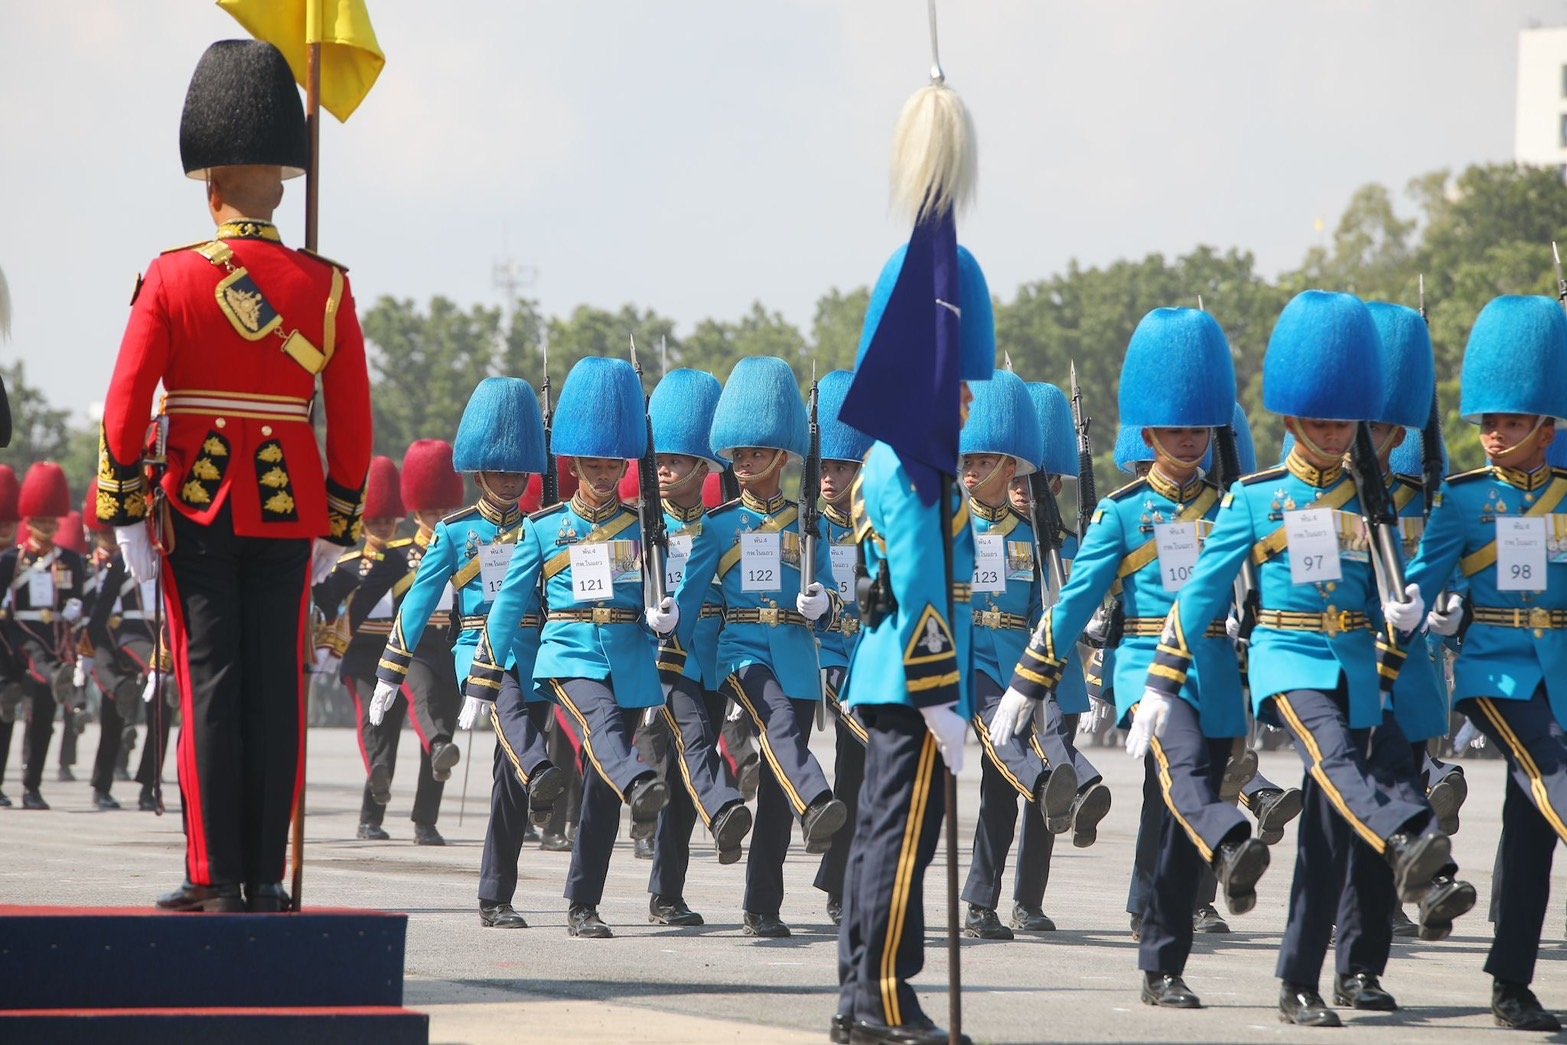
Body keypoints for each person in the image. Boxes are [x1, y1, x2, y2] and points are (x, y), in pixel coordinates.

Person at [1137, 290, 1471, 1025]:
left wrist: (1420, 610)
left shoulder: (1370, 496)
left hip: (1361, 668)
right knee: (1339, 769)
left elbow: (1392, 585)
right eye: (1316, 418)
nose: (1330, 431)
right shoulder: (1253, 498)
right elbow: (1198, 598)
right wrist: (1161, 680)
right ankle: (1408, 834)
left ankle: (1301, 978)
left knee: (1325, 838)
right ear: (1290, 418)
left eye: (1341, 418)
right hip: (1288, 658)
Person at [97, 40, 372, 912]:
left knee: (210, 684)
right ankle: (265, 876)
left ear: (209, 184)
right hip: (291, 509)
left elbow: (123, 407)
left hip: (197, 503)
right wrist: (336, 518)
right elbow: (353, 423)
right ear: (281, 188)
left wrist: (130, 510)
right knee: (275, 692)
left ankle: (214, 872)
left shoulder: (174, 275)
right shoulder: (325, 287)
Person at [993, 309, 1267, 1008]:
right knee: (1189, 796)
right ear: (1146, 434)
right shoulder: (1119, 513)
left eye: (1198, 427)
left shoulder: (1236, 503)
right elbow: (1075, 601)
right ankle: (1227, 851)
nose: (1187, 439)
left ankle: (1159, 953)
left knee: (1171, 822)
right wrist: (1029, 680)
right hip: (1150, 674)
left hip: (1216, 675)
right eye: (1173, 429)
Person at [468, 358, 669, 938]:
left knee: (600, 787)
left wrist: (665, 616)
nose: (604, 473)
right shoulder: (543, 528)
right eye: (594, 463)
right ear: (574, 463)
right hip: (562, 655)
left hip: (627, 660)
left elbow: (661, 597)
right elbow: (506, 609)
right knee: (526, 770)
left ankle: (584, 903)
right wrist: (484, 678)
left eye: (614, 462)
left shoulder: (641, 526)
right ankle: (494, 893)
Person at [1409, 295, 1567, 1032]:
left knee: (1531, 825)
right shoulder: (1462, 501)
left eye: (1509, 421)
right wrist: (1428, 611)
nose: (1493, 434)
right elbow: (1417, 582)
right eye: (1486, 421)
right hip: (1493, 673)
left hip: (1559, 675)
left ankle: (1509, 983)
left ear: (1546, 425)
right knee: (1554, 775)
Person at [382, 383, 562, 928]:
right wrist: (391, 670)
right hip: (480, 650)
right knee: (514, 729)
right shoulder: (456, 532)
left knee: (507, 778)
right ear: (480, 474)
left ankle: (495, 896)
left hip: (534, 650)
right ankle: (543, 771)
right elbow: (417, 602)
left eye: (518, 474)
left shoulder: (542, 526)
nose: (510, 483)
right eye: (501, 473)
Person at [708, 355, 847, 938]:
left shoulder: (814, 525)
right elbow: (690, 602)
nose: (744, 466)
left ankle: (762, 905)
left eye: (757, 455)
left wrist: (829, 607)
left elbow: (850, 600)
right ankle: (818, 798)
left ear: (785, 458)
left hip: (795, 651)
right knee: (782, 728)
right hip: (740, 649)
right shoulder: (718, 525)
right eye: (738, 456)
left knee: (771, 784)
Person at [956, 371, 1078, 942]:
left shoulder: (1032, 536)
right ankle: (982, 901)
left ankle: (1009, 902)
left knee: (1013, 792)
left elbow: (1037, 610)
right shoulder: (951, 527)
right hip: (971, 666)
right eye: (968, 460)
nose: (972, 471)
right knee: (1000, 779)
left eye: (986, 460)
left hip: (1023, 666)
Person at [644, 368, 753, 925]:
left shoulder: (719, 526)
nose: (665, 470)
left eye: (676, 462)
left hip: (713, 659)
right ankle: (725, 807)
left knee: (684, 777)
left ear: (703, 468)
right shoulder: (640, 526)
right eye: (659, 461)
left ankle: (668, 890)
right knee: (694, 747)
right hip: (663, 661)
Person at [318, 454, 461, 845]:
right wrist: (328, 646)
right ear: (416, 513)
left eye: (446, 509)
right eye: (433, 510)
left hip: (450, 648)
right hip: (398, 650)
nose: (440, 516)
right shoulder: (397, 554)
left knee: (442, 732)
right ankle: (371, 814)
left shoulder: (467, 545)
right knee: (389, 727)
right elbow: (349, 600)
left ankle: (425, 821)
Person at [812, 369, 874, 926]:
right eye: (825, 467)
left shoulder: (873, 527)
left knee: (857, 774)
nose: (830, 478)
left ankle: (841, 881)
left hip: (868, 659)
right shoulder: (807, 527)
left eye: (842, 468)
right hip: (825, 659)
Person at [1, 463, 86, 811]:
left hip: (52, 643)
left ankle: (32, 787)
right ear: (29, 521)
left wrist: (73, 610)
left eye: (52, 522)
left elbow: (78, 597)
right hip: (12, 642)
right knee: (5, 716)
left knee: (42, 722)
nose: (47, 528)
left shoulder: (70, 560)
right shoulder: (10, 560)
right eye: (41, 522)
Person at [80, 481, 156, 811]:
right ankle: (101, 785)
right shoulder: (111, 566)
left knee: (162, 710)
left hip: (154, 640)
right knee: (113, 714)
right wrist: (87, 657)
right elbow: (97, 615)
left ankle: (148, 785)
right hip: (116, 644)